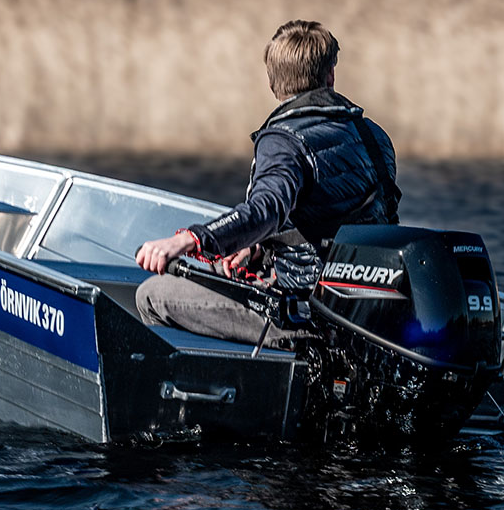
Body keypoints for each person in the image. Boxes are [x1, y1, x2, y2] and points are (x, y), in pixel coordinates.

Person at [135, 19, 400, 347]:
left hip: (306, 315)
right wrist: (258, 247)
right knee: (219, 271)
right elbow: (341, 218)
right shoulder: (374, 136)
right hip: (366, 311)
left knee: (152, 295)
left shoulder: (284, 141)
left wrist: (188, 239)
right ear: (330, 75)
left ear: (272, 82)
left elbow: (267, 208)